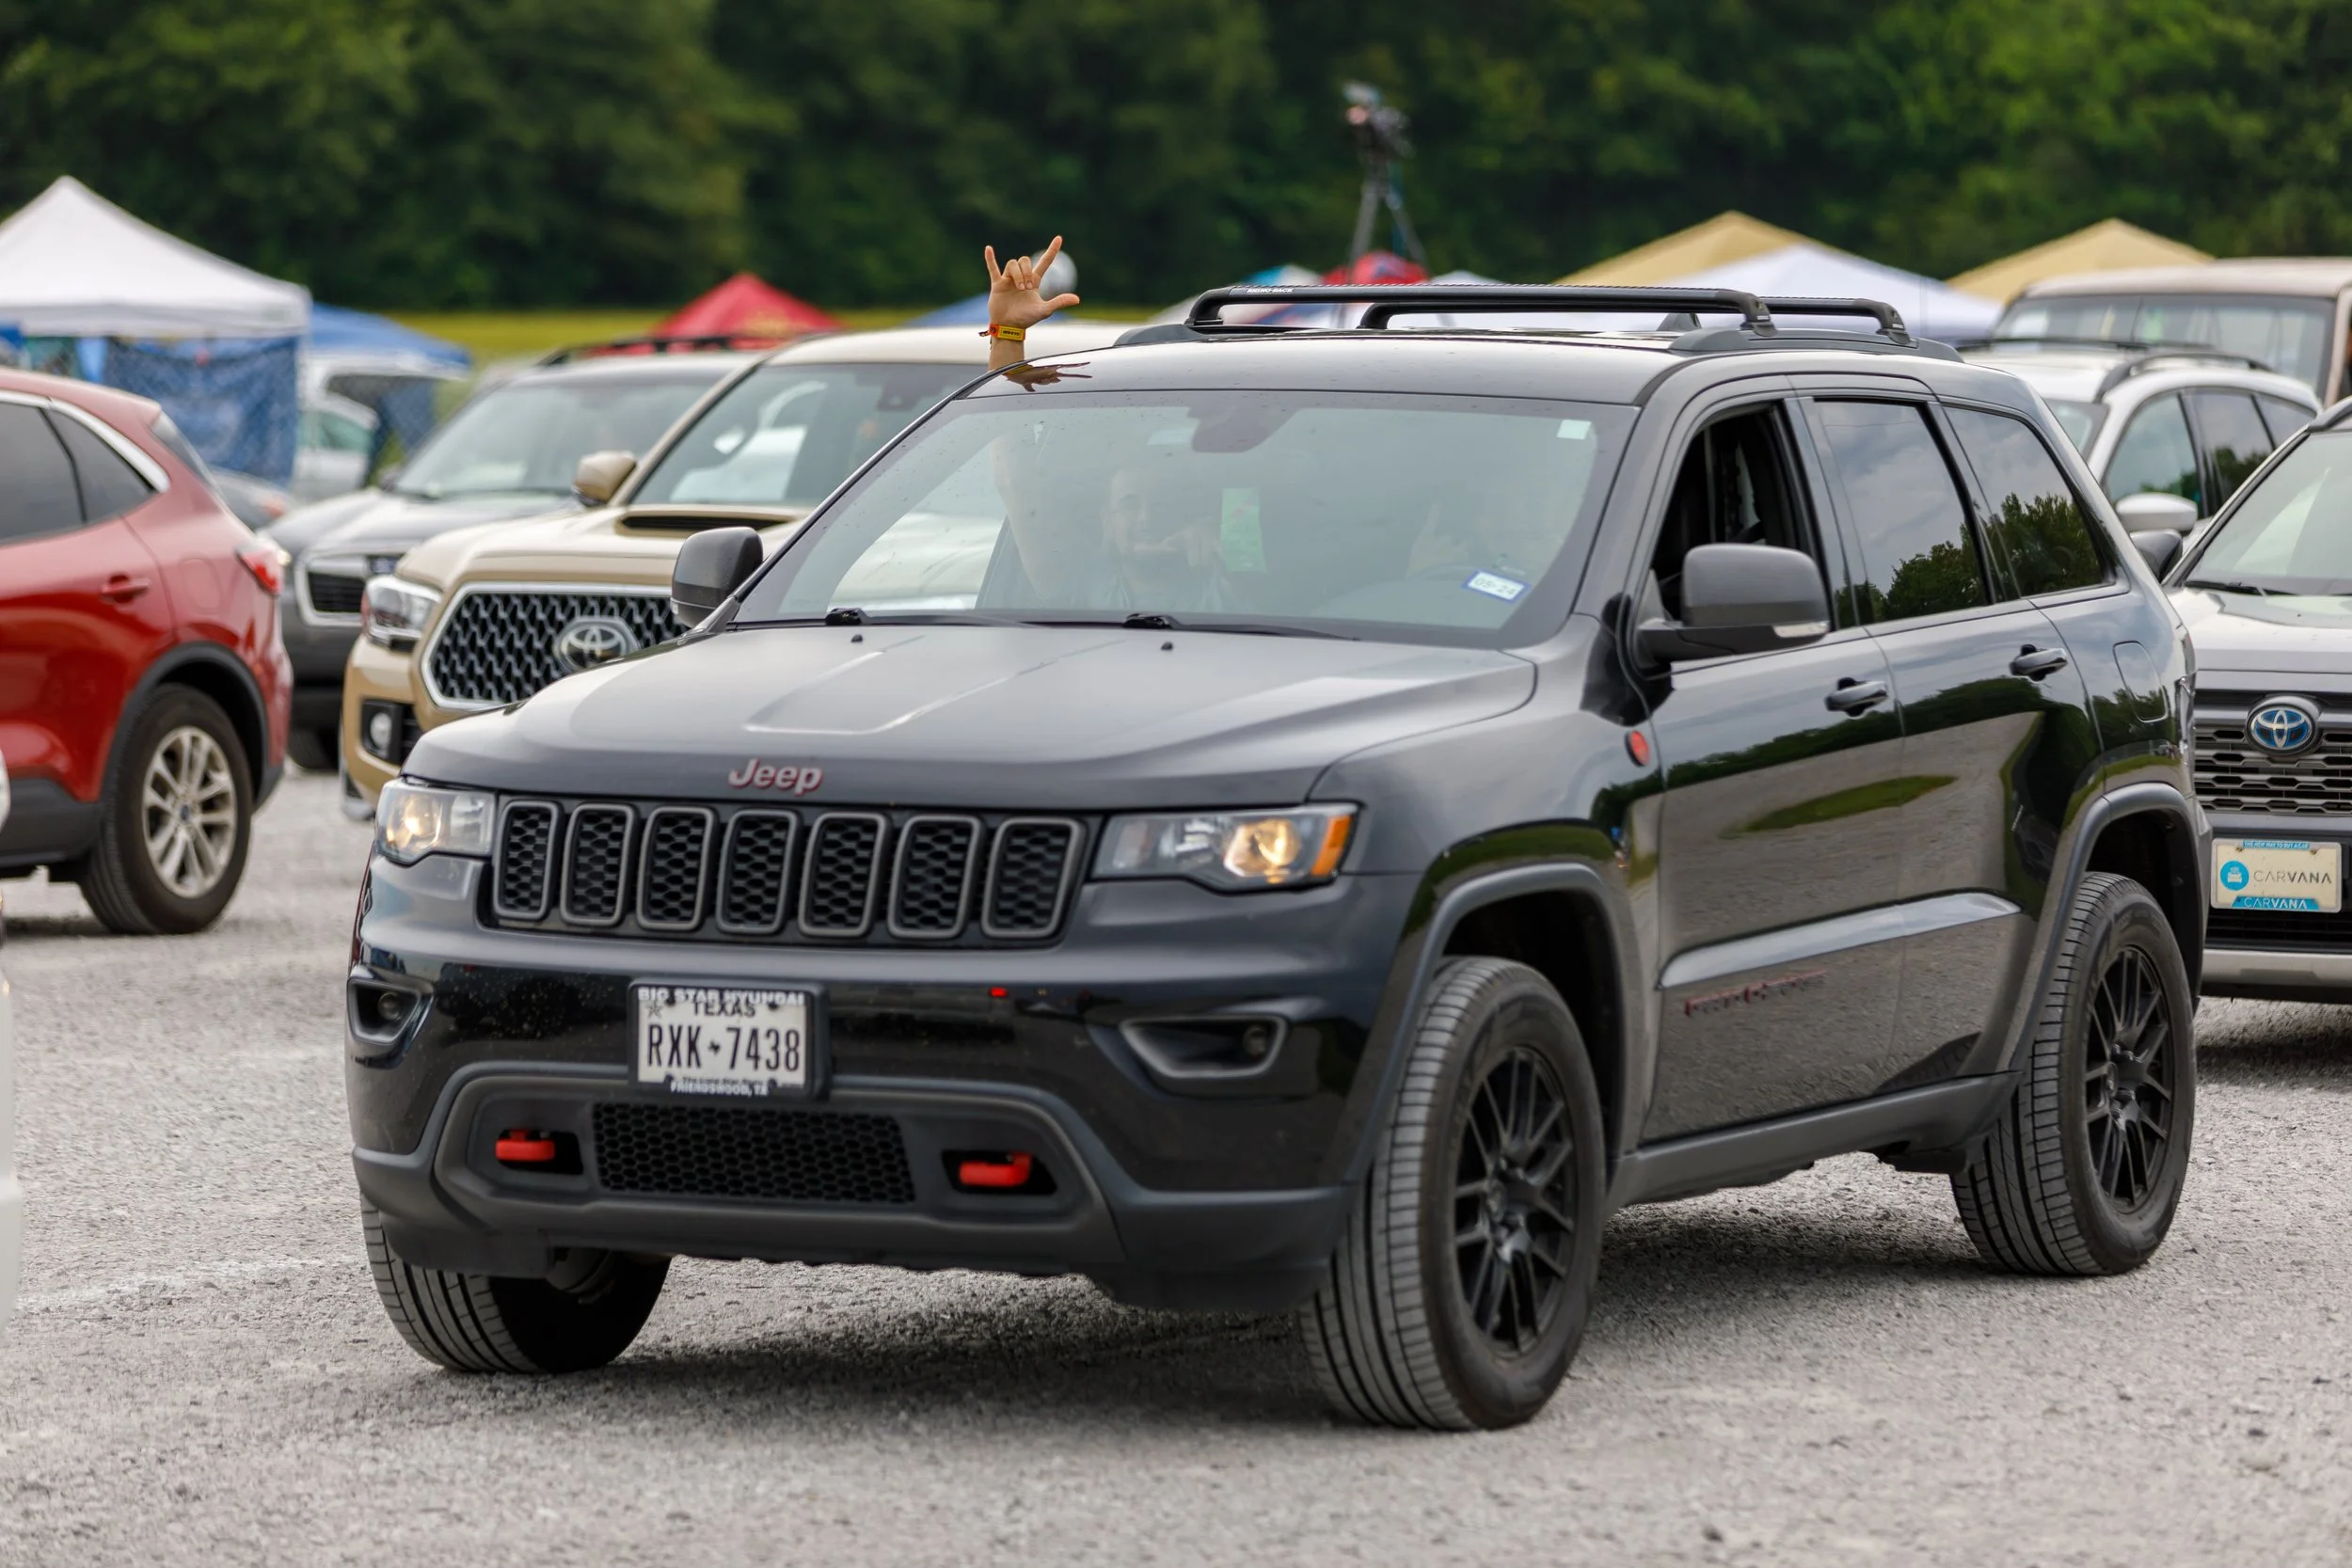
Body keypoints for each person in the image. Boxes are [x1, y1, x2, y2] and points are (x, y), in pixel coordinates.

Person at [980, 237, 1232, 611]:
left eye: (1163, 503)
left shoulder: (1238, 589)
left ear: (1193, 515)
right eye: (1130, 505)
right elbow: (1017, 483)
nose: (1147, 519)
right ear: (1107, 525)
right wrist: (1008, 334)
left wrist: (1227, 562)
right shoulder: (1077, 590)